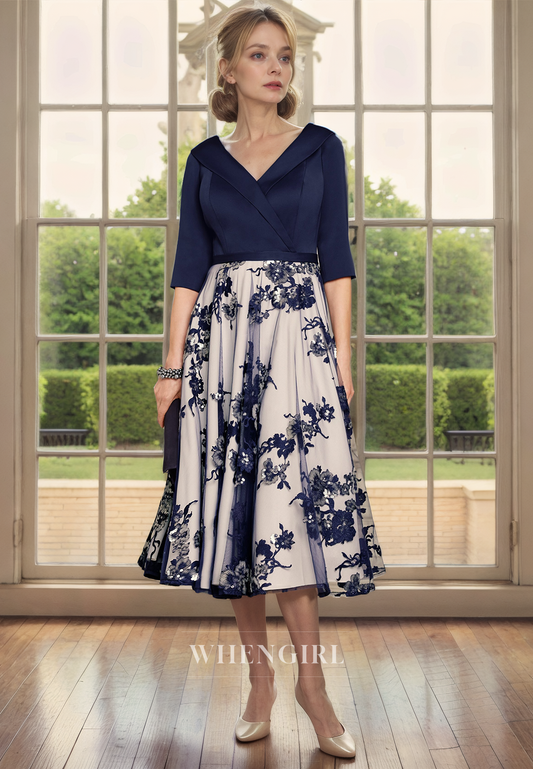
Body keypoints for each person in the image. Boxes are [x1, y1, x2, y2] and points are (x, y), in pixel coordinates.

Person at [138, 3, 385, 759]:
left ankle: (313, 685)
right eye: (258, 55)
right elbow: (188, 269)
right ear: (227, 69)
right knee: (236, 515)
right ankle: (258, 682)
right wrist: (171, 367)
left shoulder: (319, 149)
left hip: (297, 343)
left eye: (284, 56)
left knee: (293, 511)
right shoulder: (204, 162)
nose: (276, 67)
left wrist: (341, 360)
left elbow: (336, 259)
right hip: (220, 346)